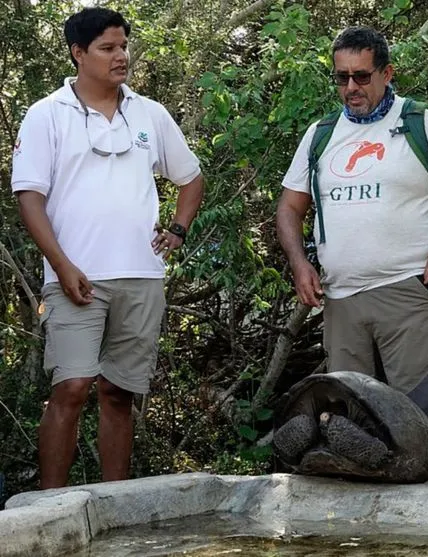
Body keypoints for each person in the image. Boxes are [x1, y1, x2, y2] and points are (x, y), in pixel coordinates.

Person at [11, 7, 204, 489]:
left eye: (124, 46)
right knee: (72, 387)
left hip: (141, 275)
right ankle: (50, 508)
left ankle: (116, 505)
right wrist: (61, 264)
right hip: (75, 277)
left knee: (119, 393)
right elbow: (28, 197)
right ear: (79, 54)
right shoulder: (46, 114)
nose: (121, 56)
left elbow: (191, 178)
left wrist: (176, 231)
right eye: (108, 48)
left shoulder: (149, 113)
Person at [277, 26, 428, 465]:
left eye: (362, 76)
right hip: (342, 299)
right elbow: (289, 208)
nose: (351, 87)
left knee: (427, 416)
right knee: (347, 420)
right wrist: (299, 263)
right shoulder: (321, 134)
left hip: (410, 289)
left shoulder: (419, 123)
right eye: (341, 77)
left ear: (387, 73)